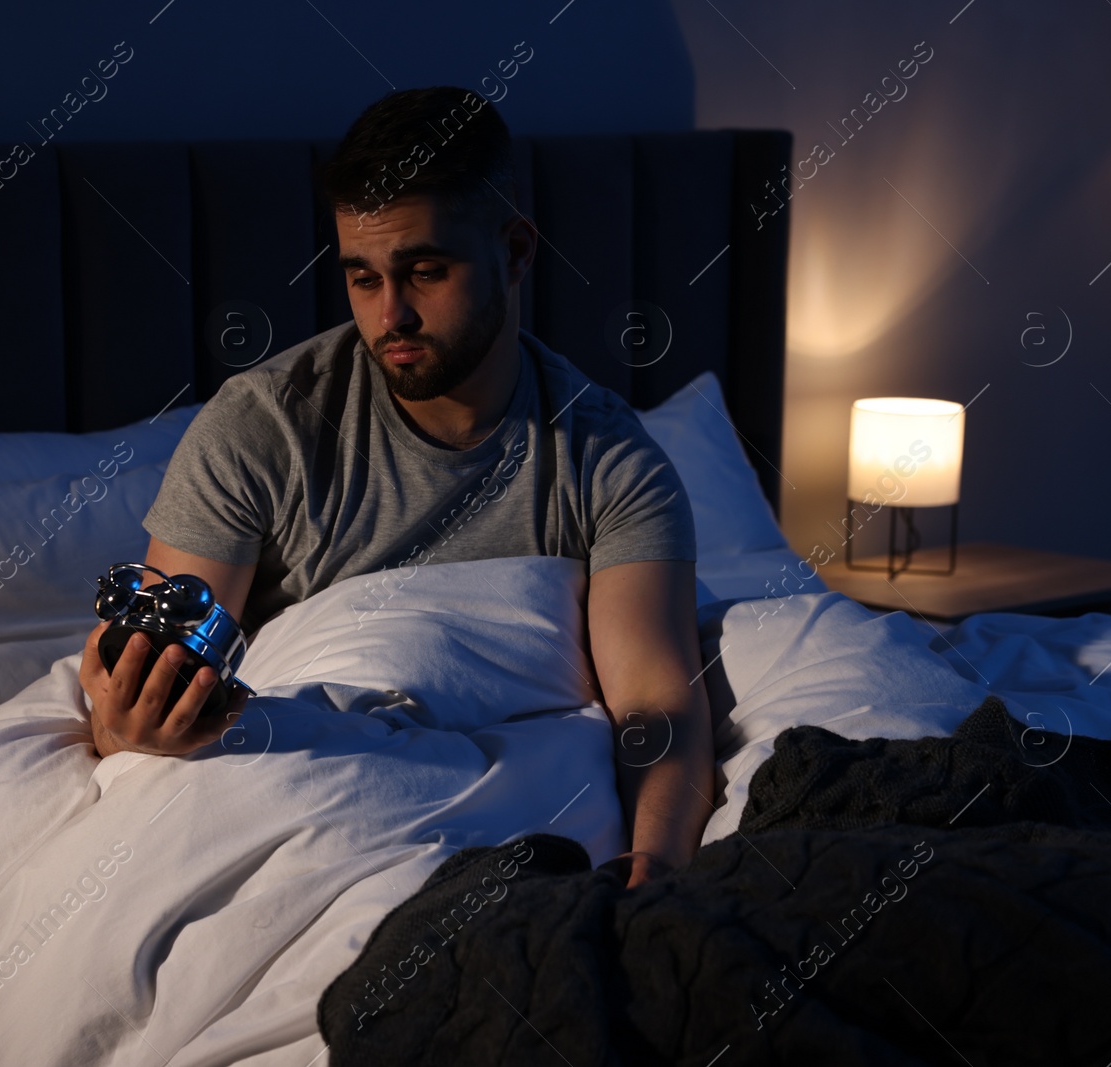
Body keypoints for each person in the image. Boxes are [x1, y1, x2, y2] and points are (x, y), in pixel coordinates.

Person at [79, 85, 713, 887]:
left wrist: (654, 868)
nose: (392, 315)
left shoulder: (609, 459)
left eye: (424, 271)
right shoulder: (263, 427)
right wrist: (130, 720)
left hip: (510, 825)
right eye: (363, 278)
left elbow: (656, 709)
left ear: (516, 253)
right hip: (302, 799)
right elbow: (157, 672)